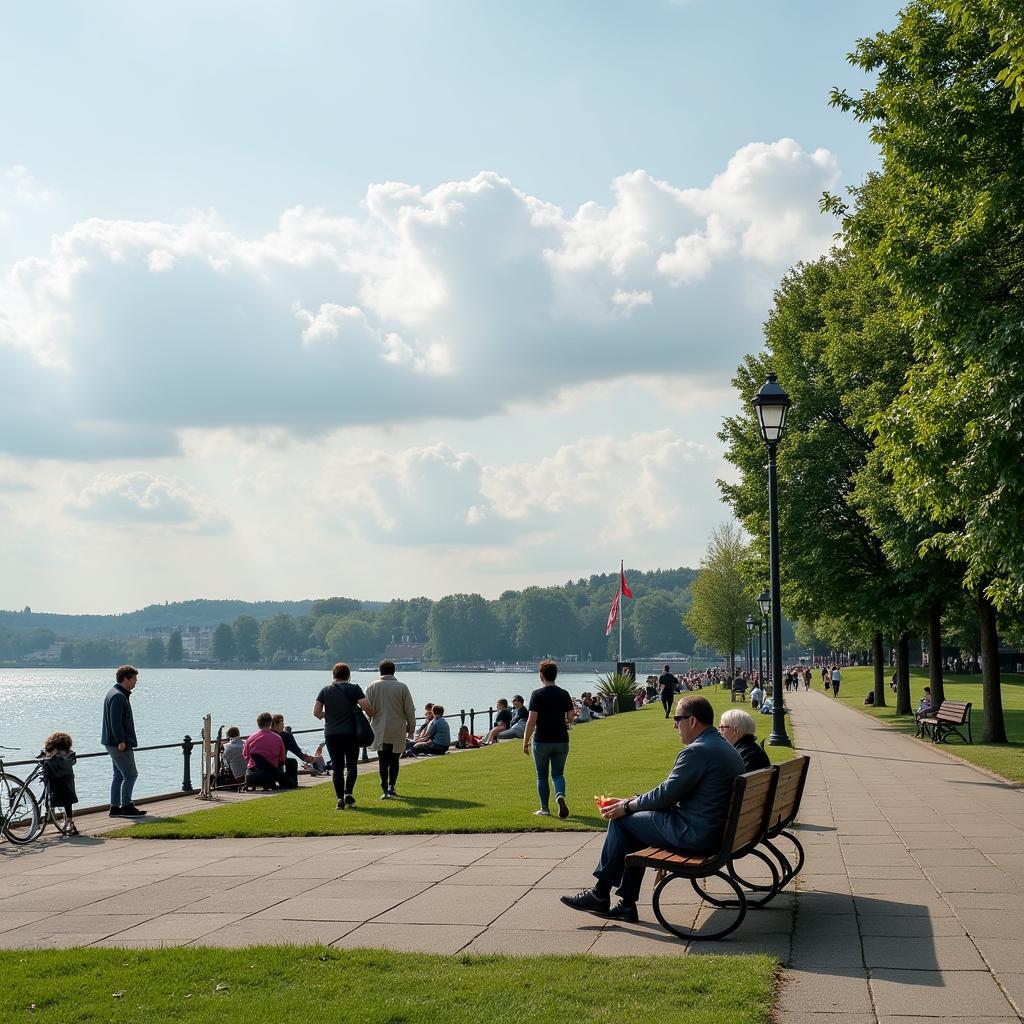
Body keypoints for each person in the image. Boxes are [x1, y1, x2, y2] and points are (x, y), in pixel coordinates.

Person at [560, 695, 746, 923]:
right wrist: (631, 803)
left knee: (623, 821)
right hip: (716, 831)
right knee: (634, 820)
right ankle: (625, 903)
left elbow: (666, 794)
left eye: (678, 718)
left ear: (693, 721)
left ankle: (601, 893)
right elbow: (670, 794)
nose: (675, 724)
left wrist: (626, 806)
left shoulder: (697, 751)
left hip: (697, 835)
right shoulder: (722, 746)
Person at [314, 663, 374, 810]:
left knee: (338, 767)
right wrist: (366, 716)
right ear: (348, 675)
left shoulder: (325, 690)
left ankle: (339, 799)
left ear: (333, 675)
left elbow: (316, 713)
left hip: (331, 734)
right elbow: (367, 707)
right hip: (350, 733)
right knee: (352, 765)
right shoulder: (354, 689)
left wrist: (328, 715)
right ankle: (348, 792)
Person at [523, 659, 576, 819]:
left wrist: (525, 741)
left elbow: (531, 721)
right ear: (555, 675)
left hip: (542, 740)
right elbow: (571, 715)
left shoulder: (537, 694)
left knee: (541, 775)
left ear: (541, 675)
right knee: (558, 773)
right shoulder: (564, 693)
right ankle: (560, 795)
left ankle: (544, 808)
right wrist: (567, 721)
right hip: (561, 739)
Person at [365, 660, 417, 800]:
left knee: (382, 759)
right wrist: (411, 727)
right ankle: (392, 786)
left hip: (379, 728)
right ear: (394, 671)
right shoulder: (402, 687)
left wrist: (367, 725)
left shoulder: (372, 687)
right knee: (394, 760)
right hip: (397, 728)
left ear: (380, 671)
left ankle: (384, 789)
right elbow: (409, 710)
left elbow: (367, 709)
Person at [101, 665, 146, 817]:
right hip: (118, 744)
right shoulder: (119, 696)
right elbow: (116, 721)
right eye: (134, 679)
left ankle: (114, 807)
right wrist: (121, 740)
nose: (136, 682)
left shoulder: (114, 693)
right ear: (125, 678)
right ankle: (126, 805)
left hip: (111, 742)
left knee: (119, 775)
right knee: (131, 774)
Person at [242, 711, 296, 789]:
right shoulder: (277, 738)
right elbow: (283, 759)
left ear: (258, 723)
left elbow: (245, 756)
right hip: (270, 775)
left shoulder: (250, 738)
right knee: (290, 762)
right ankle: (288, 783)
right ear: (270, 723)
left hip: (251, 776)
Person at [41, 731, 79, 836]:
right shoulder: (68, 756)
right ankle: (70, 821)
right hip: (68, 782)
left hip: (55, 784)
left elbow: (48, 761)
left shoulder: (52, 758)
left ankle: (47, 816)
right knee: (68, 801)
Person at [272, 714, 319, 778]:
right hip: (276, 766)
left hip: (260, 765)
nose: (283, 724)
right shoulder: (285, 736)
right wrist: (311, 759)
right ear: (275, 724)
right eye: (282, 721)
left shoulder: (262, 735)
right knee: (292, 761)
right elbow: (298, 752)